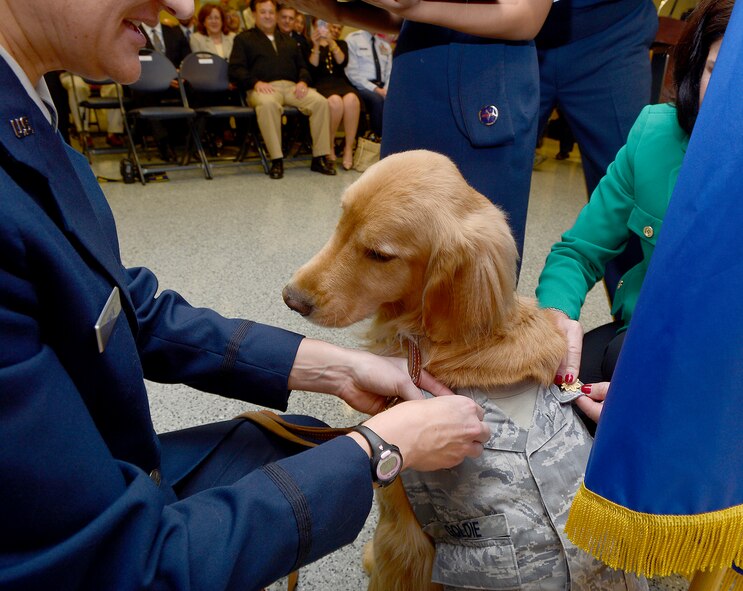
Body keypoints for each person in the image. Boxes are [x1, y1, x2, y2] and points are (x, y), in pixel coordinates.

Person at [0, 0, 491, 589]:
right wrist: (379, 450)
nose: (182, 6)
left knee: (300, 440)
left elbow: (124, 309)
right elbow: (128, 569)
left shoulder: (26, 111)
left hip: (107, 467)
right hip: (100, 552)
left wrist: (336, 368)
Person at [535, 0, 734, 427]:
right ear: (698, 68)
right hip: (635, 337)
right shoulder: (655, 135)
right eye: (718, 72)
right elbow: (577, 252)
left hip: (724, 370)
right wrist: (555, 316)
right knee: (540, 393)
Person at [285, 0, 553, 262]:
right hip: (414, 72)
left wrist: (414, 7)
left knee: (475, 264)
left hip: (484, 73)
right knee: (392, 250)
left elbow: (527, 15)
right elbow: (403, 19)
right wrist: (337, 10)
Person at [535, 0, 659, 302]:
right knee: (479, 193)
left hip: (614, 30)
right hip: (509, 30)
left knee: (638, 200)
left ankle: (633, 332)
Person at [228, 0, 337, 179]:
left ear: (275, 15)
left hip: (292, 88)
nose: (268, 16)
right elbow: (236, 70)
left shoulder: (289, 41)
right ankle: (276, 160)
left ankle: (319, 158)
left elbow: (303, 67)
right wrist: (255, 83)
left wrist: (302, 81)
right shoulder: (243, 39)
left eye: (271, 12)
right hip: (262, 89)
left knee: (320, 102)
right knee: (268, 104)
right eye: (263, 12)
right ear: (254, 14)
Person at [308, 20, 361, 170]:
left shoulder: (341, 44)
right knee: (335, 102)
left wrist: (331, 41)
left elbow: (341, 61)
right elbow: (313, 67)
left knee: (352, 100)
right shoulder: (309, 43)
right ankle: (329, 145)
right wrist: (316, 45)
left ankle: (348, 148)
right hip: (321, 83)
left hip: (340, 82)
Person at [344, 27, 392, 139]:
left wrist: (386, 89)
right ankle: (379, 140)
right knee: (377, 100)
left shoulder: (385, 45)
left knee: (399, 100)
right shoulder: (353, 39)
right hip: (362, 87)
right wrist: (375, 89)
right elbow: (352, 73)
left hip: (383, 87)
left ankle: (396, 140)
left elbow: (390, 72)